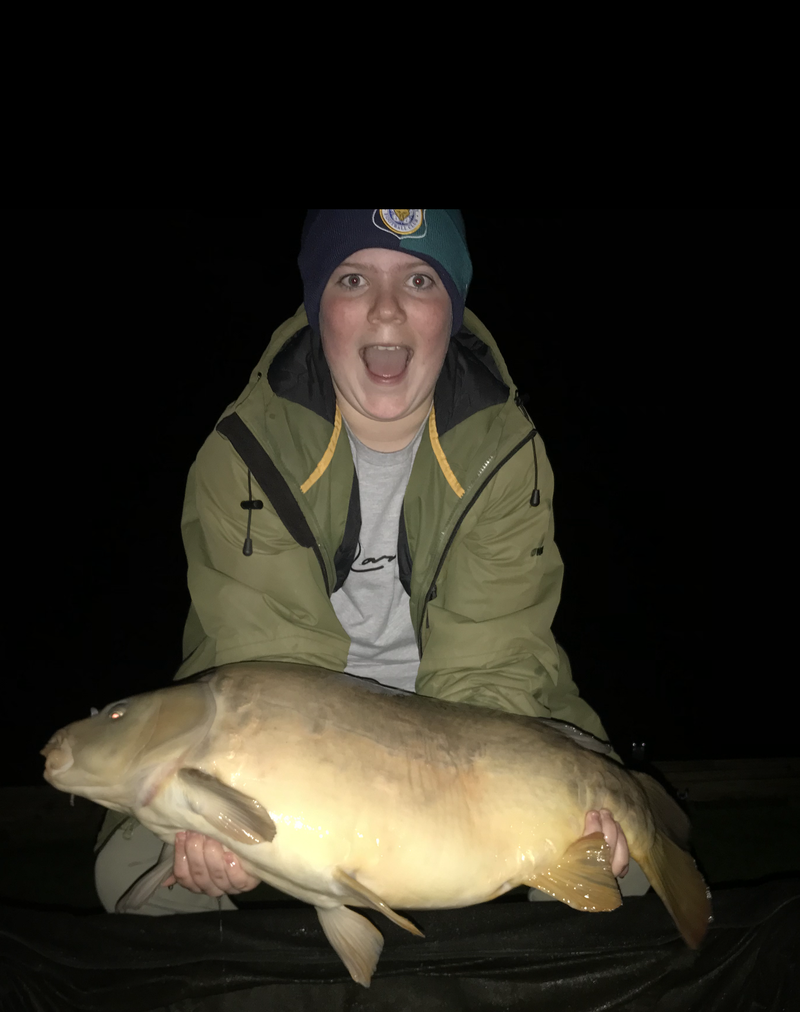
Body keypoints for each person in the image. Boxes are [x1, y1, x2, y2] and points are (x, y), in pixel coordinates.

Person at [96, 208, 643, 914]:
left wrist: (510, 816)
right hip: (304, 727)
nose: (386, 308)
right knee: (139, 881)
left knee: (618, 870)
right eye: (353, 279)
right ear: (318, 307)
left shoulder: (504, 452)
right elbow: (270, 671)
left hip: (462, 724)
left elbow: (492, 670)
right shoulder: (245, 452)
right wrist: (228, 818)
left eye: (419, 279)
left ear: (453, 311)